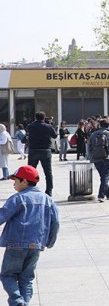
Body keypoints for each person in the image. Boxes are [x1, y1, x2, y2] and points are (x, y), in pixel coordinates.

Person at [0, 165, 59, 306]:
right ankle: (23, 303)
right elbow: (55, 223)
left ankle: (18, 302)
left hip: (15, 245)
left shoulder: (17, 199)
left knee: (8, 275)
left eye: (16, 180)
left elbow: (2, 216)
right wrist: (49, 242)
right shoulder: (48, 200)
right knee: (26, 278)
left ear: (25, 181)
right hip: (36, 245)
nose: (14, 184)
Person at [87, 119, 109, 202]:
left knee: (103, 176)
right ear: (108, 126)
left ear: (99, 125)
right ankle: (101, 195)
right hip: (107, 158)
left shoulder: (93, 134)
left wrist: (91, 156)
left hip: (96, 158)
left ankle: (108, 194)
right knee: (105, 176)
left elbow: (89, 147)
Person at [25, 112, 57, 197]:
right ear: (44, 118)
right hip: (45, 150)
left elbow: (26, 136)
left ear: (35, 117)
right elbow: (54, 136)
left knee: (30, 172)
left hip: (33, 150)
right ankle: (49, 191)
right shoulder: (48, 126)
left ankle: (30, 189)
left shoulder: (30, 126)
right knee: (48, 172)